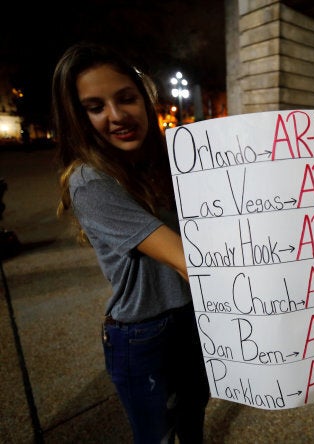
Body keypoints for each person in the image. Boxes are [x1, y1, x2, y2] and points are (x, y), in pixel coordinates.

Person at [52, 42, 209, 442]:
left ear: (145, 98)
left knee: (193, 416)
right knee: (155, 435)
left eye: (126, 98)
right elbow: (185, 260)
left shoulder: (170, 161)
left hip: (194, 316)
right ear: (77, 117)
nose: (117, 115)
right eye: (95, 106)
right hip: (142, 333)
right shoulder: (88, 180)